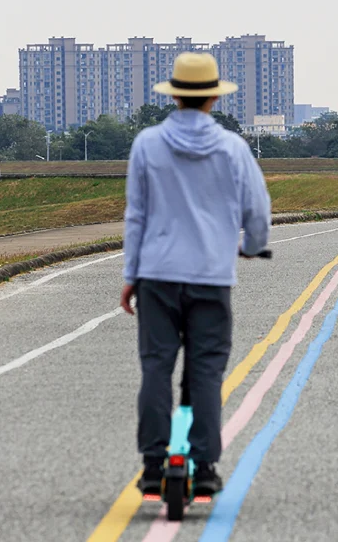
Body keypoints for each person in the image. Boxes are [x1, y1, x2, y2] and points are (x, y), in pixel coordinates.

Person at [121, 52, 271, 500]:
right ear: (211, 98)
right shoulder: (233, 148)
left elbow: (136, 216)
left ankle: (152, 464)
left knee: (156, 367)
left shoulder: (147, 144)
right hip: (211, 277)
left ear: (176, 95)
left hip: (157, 275)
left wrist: (131, 275)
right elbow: (258, 211)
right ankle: (204, 466)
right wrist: (249, 247)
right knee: (206, 371)